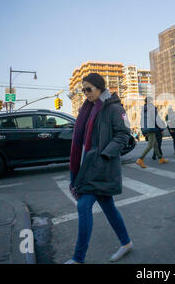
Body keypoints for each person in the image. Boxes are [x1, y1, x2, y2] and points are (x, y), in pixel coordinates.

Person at [66, 73, 133, 264]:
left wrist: (104, 154)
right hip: (88, 166)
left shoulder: (112, 108)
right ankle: (126, 242)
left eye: (89, 89)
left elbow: (123, 135)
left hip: (101, 166)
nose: (86, 93)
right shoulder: (87, 109)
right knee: (108, 207)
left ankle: (78, 259)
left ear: (100, 88)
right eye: (83, 90)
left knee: (83, 205)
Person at [136, 97, 168, 168]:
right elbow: (156, 119)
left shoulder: (143, 109)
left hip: (145, 128)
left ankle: (160, 159)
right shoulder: (152, 108)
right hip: (151, 128)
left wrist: (143, 129)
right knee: (150, 145)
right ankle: (140, 159)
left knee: (155, 144)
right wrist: (161, 128)